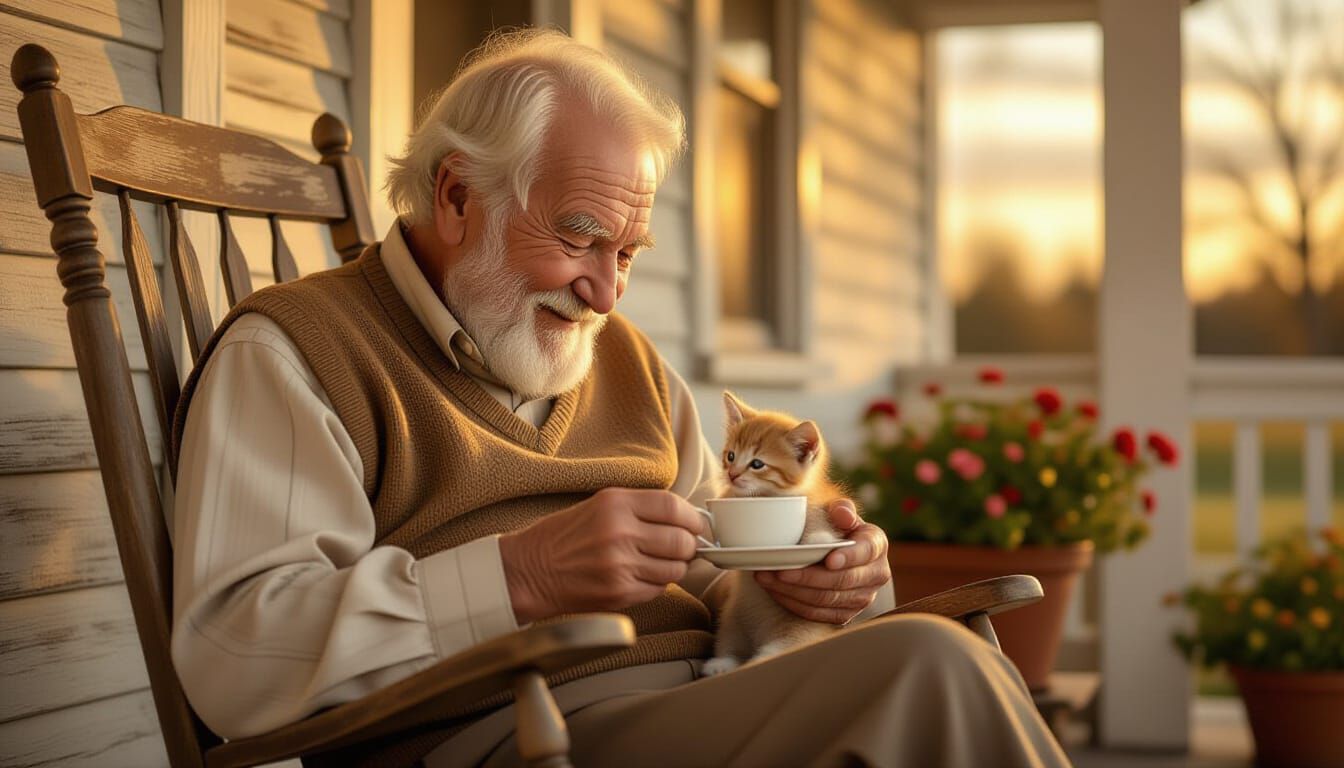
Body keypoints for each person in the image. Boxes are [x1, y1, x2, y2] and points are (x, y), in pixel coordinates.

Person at [170, 28, 1070, 768]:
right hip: (511, 736)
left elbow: (711, 567)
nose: (606, 293)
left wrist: (809, 584)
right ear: (456, 196)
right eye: (579, 237)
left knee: (923, 668)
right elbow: (233, 658)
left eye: (627, 252)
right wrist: (519, 577)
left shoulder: (625, 362)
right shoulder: (298, 353)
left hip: (704, 699)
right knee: (932, 673)